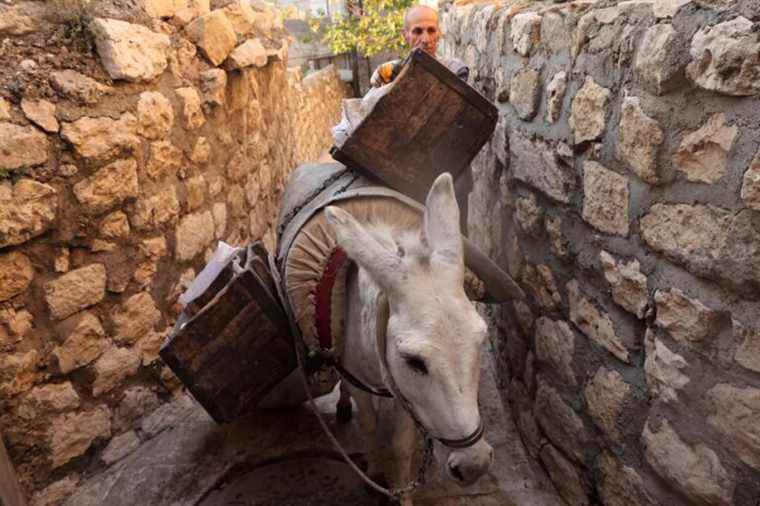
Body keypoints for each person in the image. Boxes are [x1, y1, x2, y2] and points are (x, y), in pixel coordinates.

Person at [369, 4, 469, 88]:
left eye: (431, 31)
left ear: (439, 34)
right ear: (405, 35)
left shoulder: (454, 70)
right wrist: (381, 73)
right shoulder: (389, 72)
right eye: (417, 31)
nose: (425, 39)